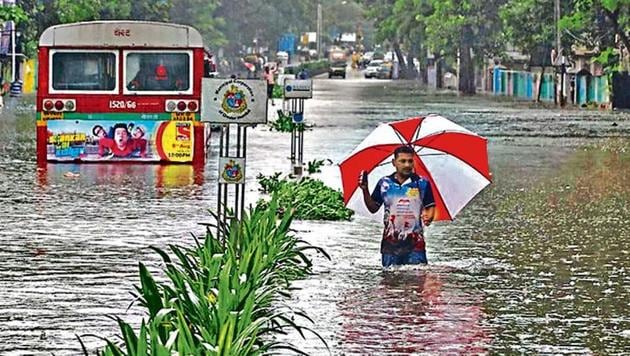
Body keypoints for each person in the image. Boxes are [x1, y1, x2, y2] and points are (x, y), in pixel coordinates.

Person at [359, 145, 436, 267]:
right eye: (403, 161)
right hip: (390, 246)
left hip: (415, 245)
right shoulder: (384, 183)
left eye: (410, 161)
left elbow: (431, 205)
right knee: (390, 282)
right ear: (394, 162)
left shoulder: (422, 183)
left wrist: (430, 216)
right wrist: (365, 190)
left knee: (417, 282)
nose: (407, 165)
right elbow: (373, 208)